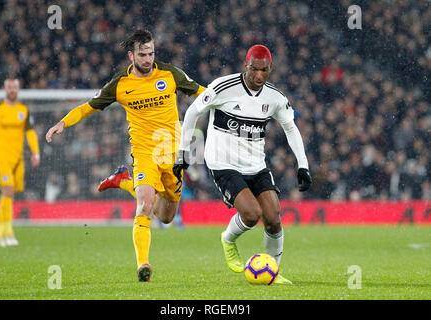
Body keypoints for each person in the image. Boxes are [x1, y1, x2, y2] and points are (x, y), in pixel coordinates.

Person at [45, 29, 205, 282]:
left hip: (172, 155)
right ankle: (143, 264)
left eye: (151, 53)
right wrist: (63, 123)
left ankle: (123, 180)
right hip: (143, 153)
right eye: (142, 54)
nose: (148, 59)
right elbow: (89, 106)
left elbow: (202, 94)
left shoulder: (170, 74)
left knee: (166, 215)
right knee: (144, 206)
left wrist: (230, 104)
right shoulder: (120, 84)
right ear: (131, 55)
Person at [173, 45, 312, 284]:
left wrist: (303, 165)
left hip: (256, 165)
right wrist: (183, 152)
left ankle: (273, 272)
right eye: (254, 69)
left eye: (264, 70)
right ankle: (228, 239)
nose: (259, 76)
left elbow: (290, 127)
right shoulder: (223, 87)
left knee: (274, 217)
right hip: (222, 163)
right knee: (251, 214)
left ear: (270, 69)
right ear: (245, 66)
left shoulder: (275, 98)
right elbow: (193, 113)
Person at [0, 78, 40, 247]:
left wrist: (35, 152)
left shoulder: (23, 110)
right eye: (9, 87)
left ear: (18, 88)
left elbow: (30, 133)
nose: (12, 90)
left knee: (10, 193)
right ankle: (1, 234)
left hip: (18, 158)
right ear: (4, 88)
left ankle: (5, 233)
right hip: (0, 156)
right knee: (7, 190)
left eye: (14, 87)